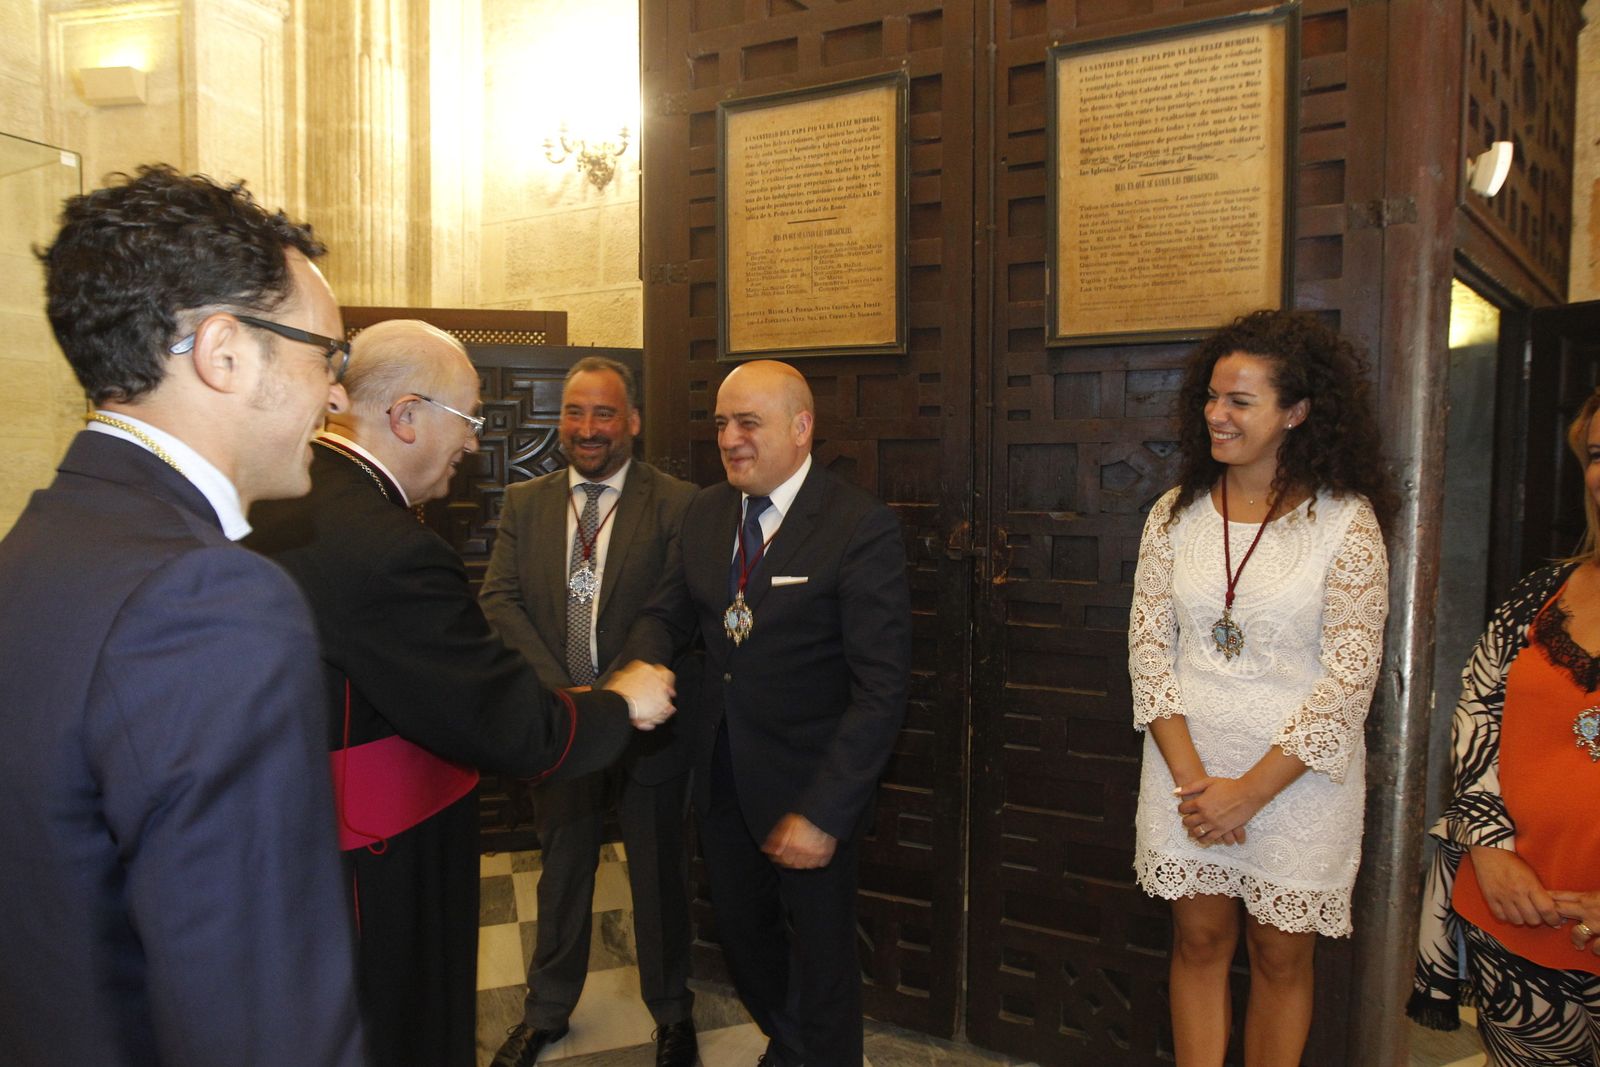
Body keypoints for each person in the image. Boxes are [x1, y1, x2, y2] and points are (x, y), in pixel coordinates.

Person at [0, 165, 364, 1065]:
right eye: (330, 355)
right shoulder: (209, 602)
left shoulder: (38, 546)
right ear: (225, 352)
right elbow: (261, 1016)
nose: (338, 397)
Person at [246, 319, 675, 1067]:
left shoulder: (285, 499)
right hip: (377, 859)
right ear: (406, 415)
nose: (475, 442)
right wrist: (617, 702)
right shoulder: (390, 545)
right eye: (468, 419)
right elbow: (495, 712)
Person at [622, 358, 912, 1066]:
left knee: (823, 962)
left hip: (811, 791)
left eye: (748, 422)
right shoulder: (704, 512)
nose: (730, 439)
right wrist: (641, 660)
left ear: (801, 427)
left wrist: (825, 811)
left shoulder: (857, 526)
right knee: (745, 941)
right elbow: (665, 613)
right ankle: (789, 1047)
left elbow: (882, 687)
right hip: (721, 781)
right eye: (721, 423)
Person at [1127, 309, 1392, 1067]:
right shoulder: (1170, 516)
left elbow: (1349, 679)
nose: (1218, 413)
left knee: (1280, 957)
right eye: (1213, 396)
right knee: (1199, 939)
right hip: (1189, 771)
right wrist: (1196, 782)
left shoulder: (1345, 523)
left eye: (1241, 401)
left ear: (1296, 412)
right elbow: (1149, 653)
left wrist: (1249, 792)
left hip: (1295, 781)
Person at [480, 357, 699, 1067]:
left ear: (632, 420)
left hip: (646, 726)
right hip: (564, 722)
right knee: (563, 865)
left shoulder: (677, 503)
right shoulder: (528, 501)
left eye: (604, 413)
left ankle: (671, 1015)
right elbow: (499, 600)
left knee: (657, 872)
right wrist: (565, 694)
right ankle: (546, 1011)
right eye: (575, 412)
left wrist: (617, 692)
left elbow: (676, 605)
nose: (587, 427)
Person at [1410, 386, 1600, 1063]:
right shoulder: (1536, 593)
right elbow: (1476, 718)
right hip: (1517, 925)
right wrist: (1489, 849)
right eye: (1599, 453)